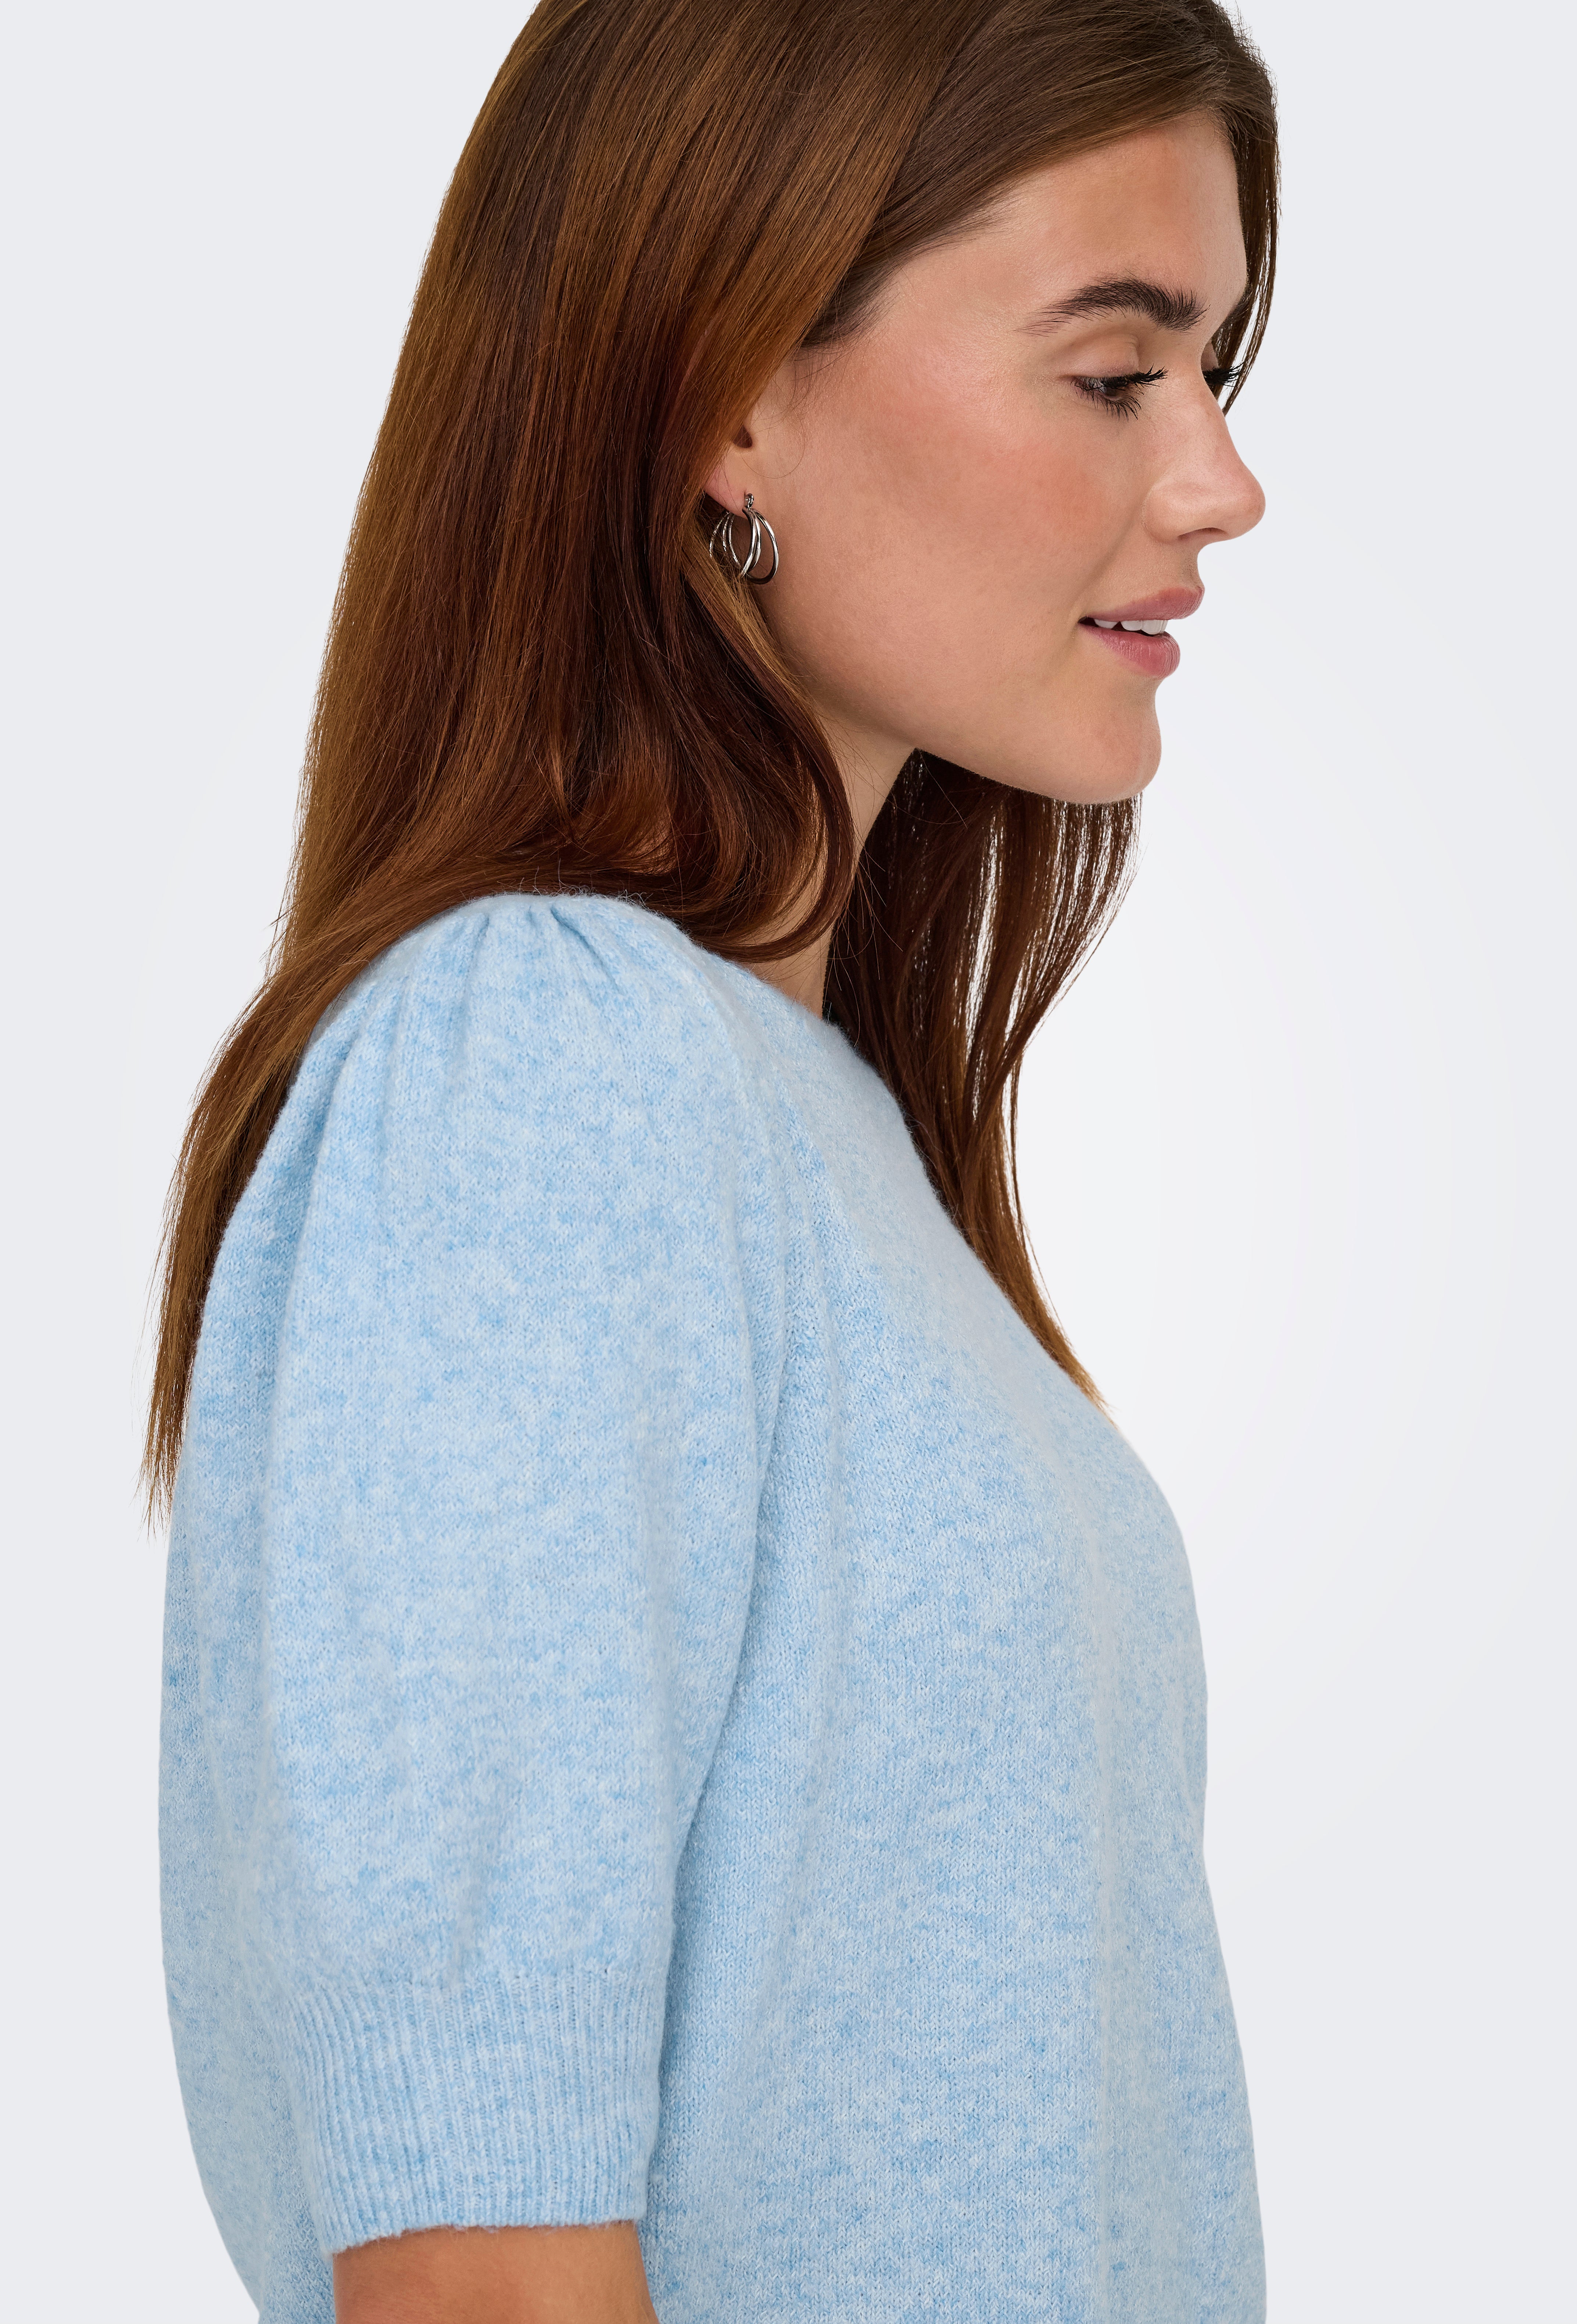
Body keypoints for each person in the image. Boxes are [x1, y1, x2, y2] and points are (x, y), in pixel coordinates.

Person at [149, 1, 1276, 2316]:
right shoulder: (536, 1057)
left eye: (1216, 371)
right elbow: (475, 2258)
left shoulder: (797, 1121)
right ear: (729, 400)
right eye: (1111, 370)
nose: (1216, 482)